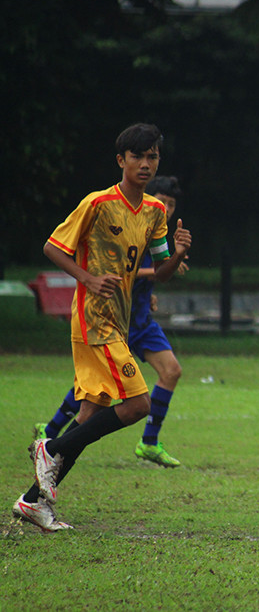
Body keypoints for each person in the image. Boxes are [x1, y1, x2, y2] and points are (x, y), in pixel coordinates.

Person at [13, 123, 191, 533]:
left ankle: (33, 501)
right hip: (94, 319)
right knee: (138, 405)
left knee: (89, 416)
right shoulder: (97, 203)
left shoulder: (155, 212)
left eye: (153, 157)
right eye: (138, 157)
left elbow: (162, 273)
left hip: (121, 321)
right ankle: (49, 448)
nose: (146, 164)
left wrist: (177, 253)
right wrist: (88, 278)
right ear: (121, 161)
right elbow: (53, 248)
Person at [33, 175, 189, 467]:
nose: (166, 209)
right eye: (164, 202)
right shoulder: (107, 210)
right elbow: (127, 268)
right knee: (104, 395)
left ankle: (148, 442)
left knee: (169, 372)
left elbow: (156, 270)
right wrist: (91, 279)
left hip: (139, 321)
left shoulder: (154, 223)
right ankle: (51, 439)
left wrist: (168, 266)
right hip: (107, 320)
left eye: (171, 205)